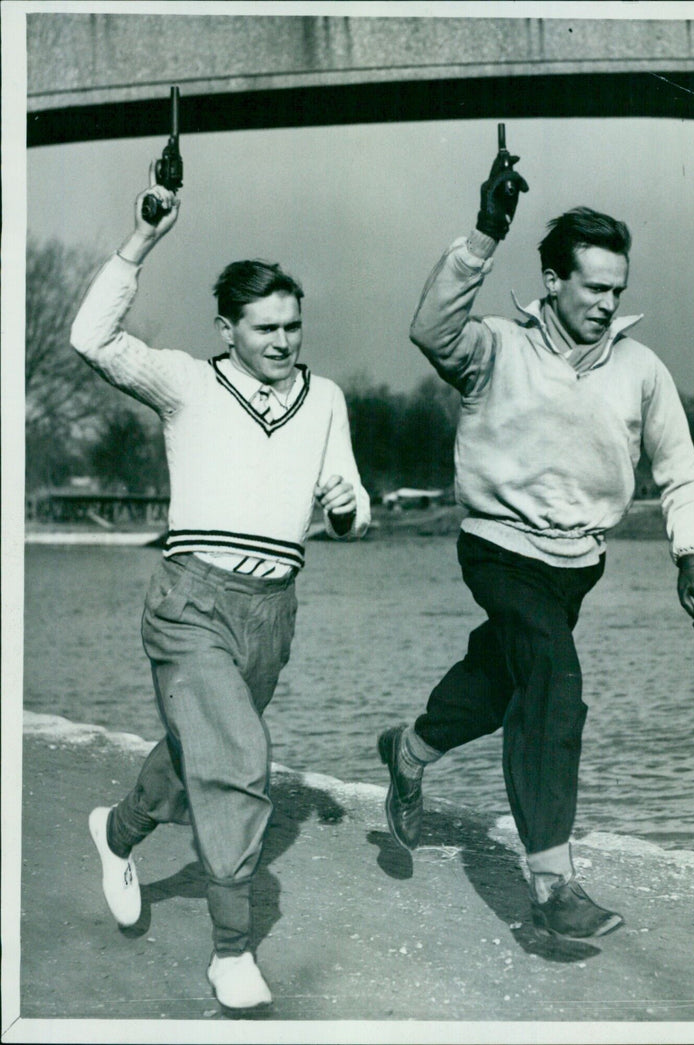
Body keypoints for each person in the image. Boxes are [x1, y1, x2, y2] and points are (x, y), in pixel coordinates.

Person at [377, 136, 694, 939]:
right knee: (555, 685)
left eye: (617, 289)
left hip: (576, 566)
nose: (605, 302)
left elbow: (681, 471)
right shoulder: (495, 346)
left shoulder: (642, 369)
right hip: (498, 548)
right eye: (592, 286)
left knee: (503, 682)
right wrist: (481, 236)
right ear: (553, 280)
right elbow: (430, 328)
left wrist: (693, 552)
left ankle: (411, 748)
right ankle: (551, 883)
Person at [73, 174, 370, 1012]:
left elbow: (349, 504)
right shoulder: (185, 383)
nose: (282, 340)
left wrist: (348, 506)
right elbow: (90, 337)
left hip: (273, 614)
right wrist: (142, 240)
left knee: (192, 761)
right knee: (237, 757)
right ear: (228, 329)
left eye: (293, 325)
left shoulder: (327, 401)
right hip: (190, 603)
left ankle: (118, 829)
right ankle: (232, 951)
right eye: (265, 327)